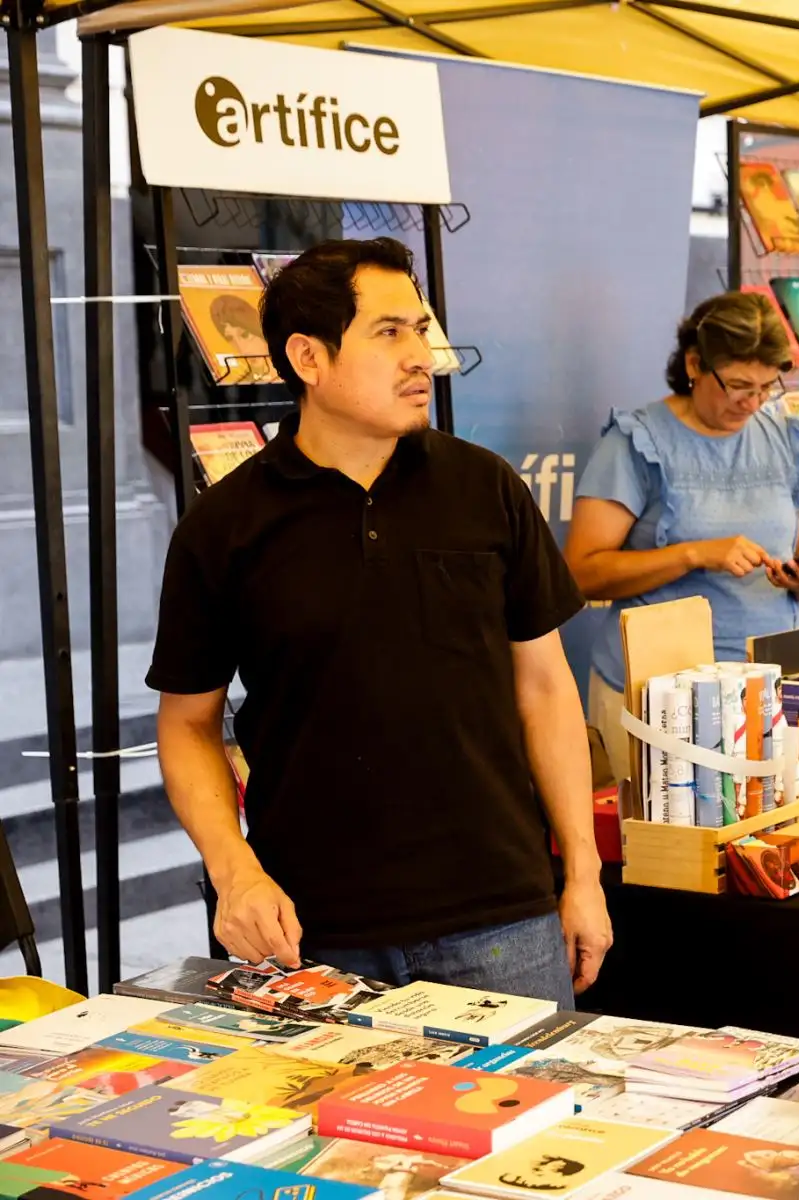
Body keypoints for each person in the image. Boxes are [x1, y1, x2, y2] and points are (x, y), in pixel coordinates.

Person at [148, 238, 609, 1006]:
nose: (420, 356)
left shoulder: (486, 489)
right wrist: (235, 871)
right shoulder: (224, 526)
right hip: (311, 929)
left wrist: (584, 874)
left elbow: (546, 690)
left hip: (501, 917)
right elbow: (188, 724)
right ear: (308, 357)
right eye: (389, 332)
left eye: (421, 330)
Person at [563, 292, 799, 780]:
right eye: (738, 385)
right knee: (663, 831)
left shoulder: (786, 438)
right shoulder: (636, 441)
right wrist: (691, 555)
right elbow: (580, 574)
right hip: (658, 695)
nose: (752, 403)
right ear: (694, 364)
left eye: (767, 387)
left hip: (770, 684)